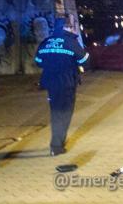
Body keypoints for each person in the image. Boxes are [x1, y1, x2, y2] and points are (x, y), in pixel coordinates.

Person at [35, 17, 89, 156]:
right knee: (65, 113)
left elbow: (38, 61)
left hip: (51, 83)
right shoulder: (71, 42)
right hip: (66, 82)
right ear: (67, 27)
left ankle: (56, 143)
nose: (73, 29)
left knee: (55, 112)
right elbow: (84, 61)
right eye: (72, 27)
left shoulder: (46, 42)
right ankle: (57, 145)